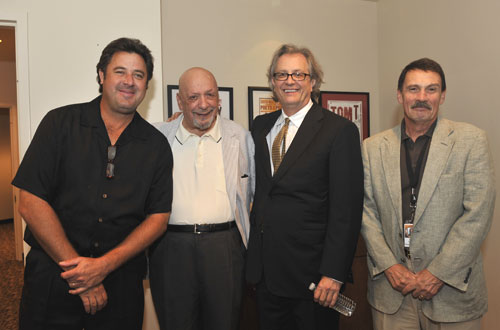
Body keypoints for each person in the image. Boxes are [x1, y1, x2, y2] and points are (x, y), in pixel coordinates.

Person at [12, 37, 173, 330]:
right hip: (52, 279)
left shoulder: (157, 146)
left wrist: (103, 267)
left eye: (138, 75)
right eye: (120, 71)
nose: (129, 81)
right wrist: (81, 275)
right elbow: (30, 201)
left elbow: (158, 218)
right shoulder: (59, 123)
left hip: (121, 286)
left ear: (147, 85)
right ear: (101, 75)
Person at [361, 58, 495, 330]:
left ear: (442, 96)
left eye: (431, 89)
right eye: (413, 89)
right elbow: (366, 212)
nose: (422, 97)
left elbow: (477, 215)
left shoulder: (471, 141)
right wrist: (389, 266)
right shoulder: (372, 148)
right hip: (391, 291)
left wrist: (437, 273)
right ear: (399, 95)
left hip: (451, 292)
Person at [245, 44, 364, 330]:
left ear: (312, 81)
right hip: (266, 276)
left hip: (314, 280)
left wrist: (334, 274)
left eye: (298, 74)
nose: (290, 81)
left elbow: (345, 211)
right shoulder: (260, 126)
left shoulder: (339, 131)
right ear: (272, 82)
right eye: (282, 74)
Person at [149, 67, 254, 330]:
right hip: (170, 248)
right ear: (180, 102)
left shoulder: (240, 137)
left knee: (225, 323)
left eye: (210, 95)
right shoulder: (157, 137)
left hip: (225, 247)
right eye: (194, 97)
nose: (204, 104)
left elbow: (255, 192)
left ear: (219, 99)